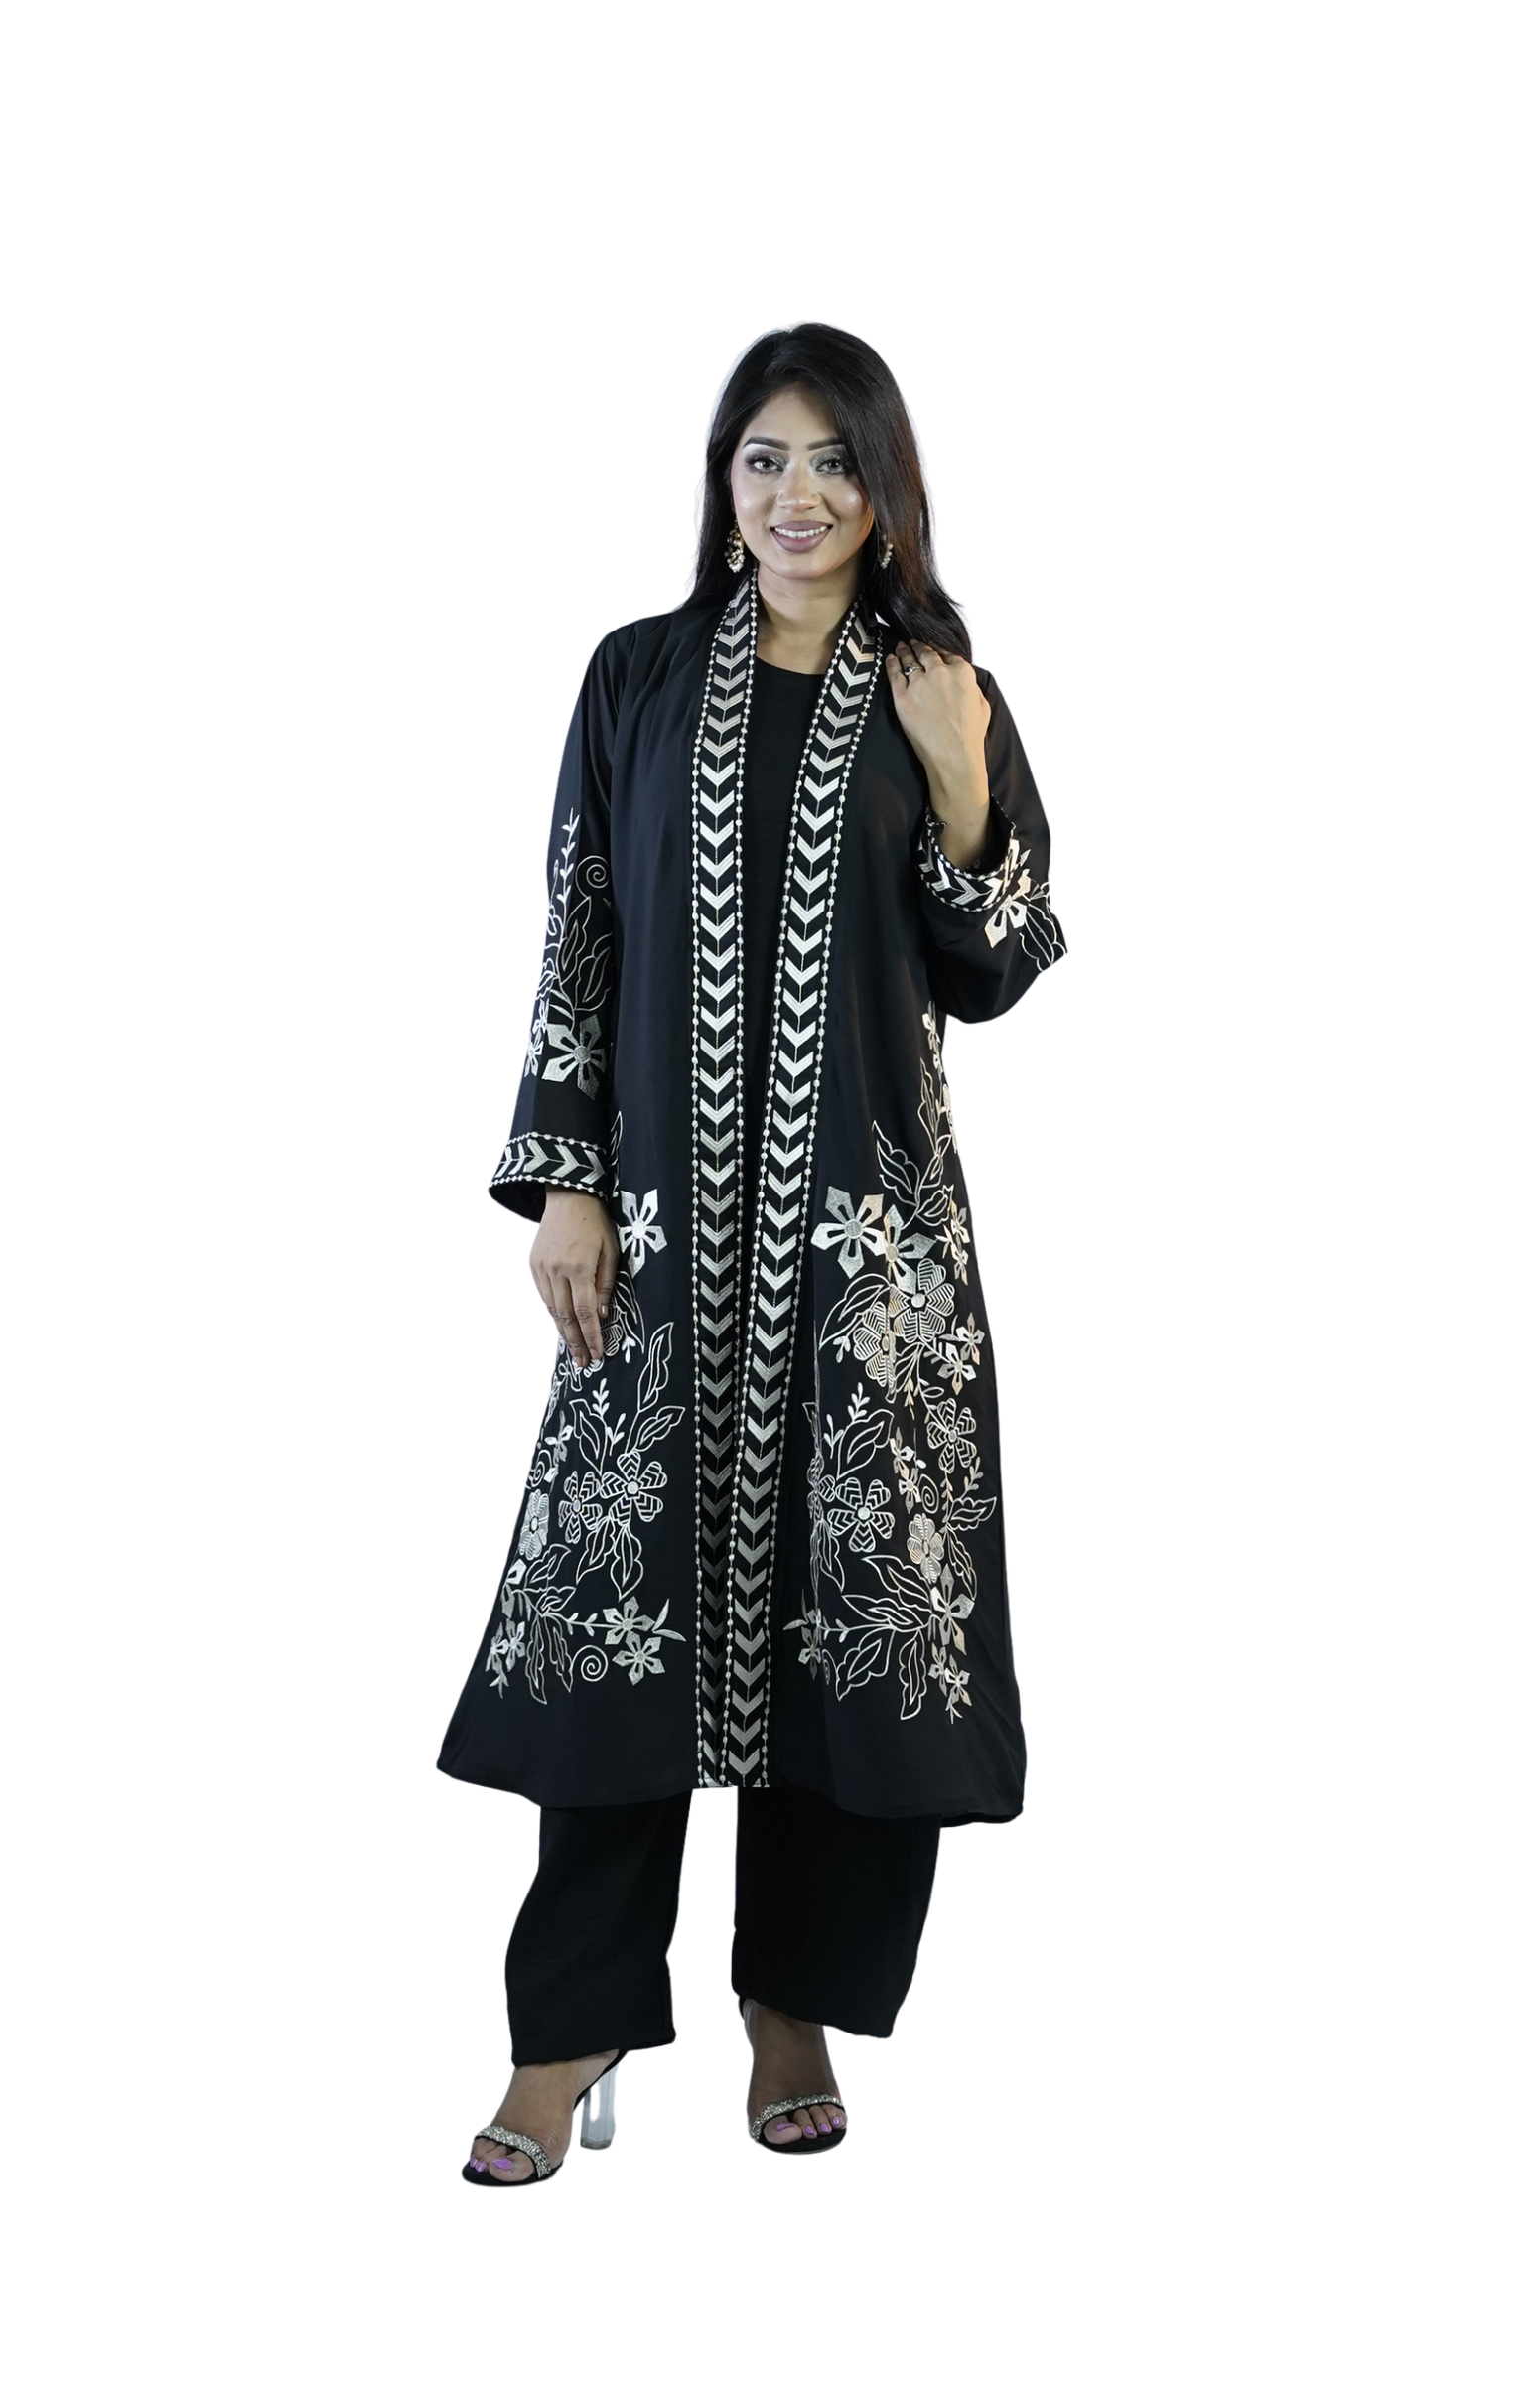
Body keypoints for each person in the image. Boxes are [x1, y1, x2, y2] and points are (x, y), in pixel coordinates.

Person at [440, 321, 1070, 2182]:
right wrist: (564, 1179)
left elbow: (1005, 966)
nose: (798, 496)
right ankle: (566, 2034)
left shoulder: (939, 688)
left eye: (834, 461)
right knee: (615, 1642)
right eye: (762, 460)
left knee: (856, 1649)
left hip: (868, 1261)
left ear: (889, 493)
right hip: (652, 1241)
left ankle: (795, 2008)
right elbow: (576, 929)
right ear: (723, 485)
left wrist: (962, 783)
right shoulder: (636, 674)